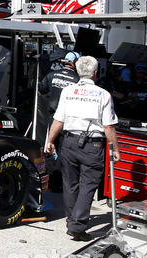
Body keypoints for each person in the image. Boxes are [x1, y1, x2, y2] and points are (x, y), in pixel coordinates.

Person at [44, 56, 120, 241]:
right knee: (88, 185)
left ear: (78, 72)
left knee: (69, 184)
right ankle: (77, 226)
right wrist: (115, 148)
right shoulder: (103, 94)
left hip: (69, 142)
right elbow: (108, 126)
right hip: (92, 145)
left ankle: (72, 220)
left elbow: (58, 120)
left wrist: (50, 140)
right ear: (95, 73)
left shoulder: (68, 91)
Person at [38, 51, 80, 190]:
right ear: (76, 63)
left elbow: (40, 91)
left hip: (53, 116)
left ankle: (50, 181)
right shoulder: (78, 79)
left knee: (50, 146)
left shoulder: (51, 75)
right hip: (70, 118)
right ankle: (60, 183)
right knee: (64, 149)